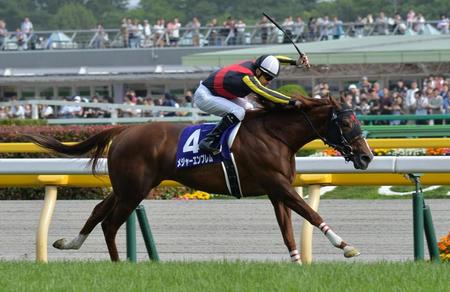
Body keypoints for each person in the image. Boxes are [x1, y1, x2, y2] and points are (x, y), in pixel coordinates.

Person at [193, 54, 310, 154]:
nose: (269, 82)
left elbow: (274, 58)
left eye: (272, 78)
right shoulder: (247, 78)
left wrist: (296, 62)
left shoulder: (257, 65)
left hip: (220, 94)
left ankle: (244, 140)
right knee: (238, 112)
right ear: (258, 71)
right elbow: (267, 93)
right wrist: (294, 101)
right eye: (268, 77)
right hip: (205, 96)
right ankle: (208, 141)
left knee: (249, 108)